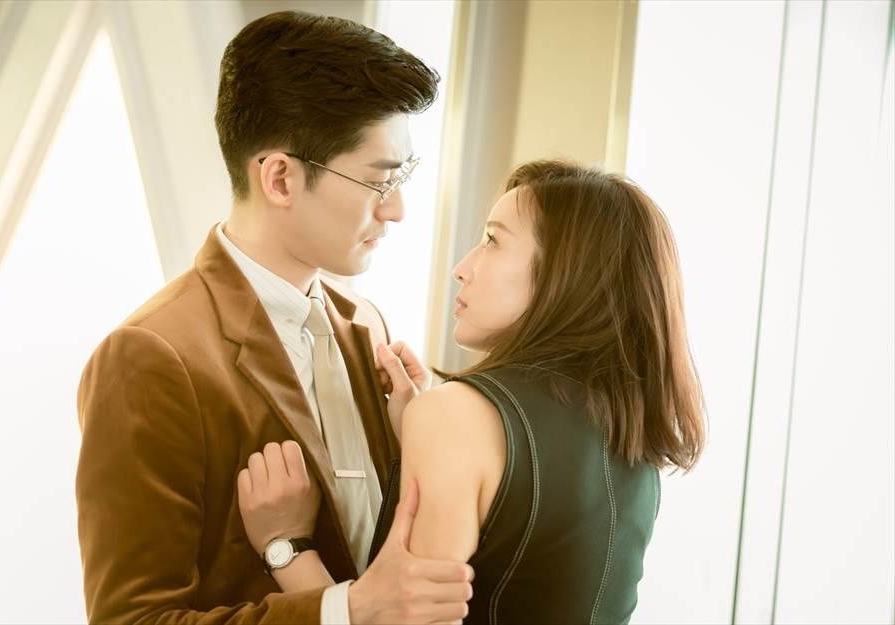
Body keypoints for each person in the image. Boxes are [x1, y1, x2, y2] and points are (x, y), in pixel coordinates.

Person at [75, 11, 473, 625]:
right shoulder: (150, 358)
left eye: (404, 176)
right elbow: (132, 619)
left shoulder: (366, 323)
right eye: (380, 180)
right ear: (281, 178)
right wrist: (344, 610)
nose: (396, 210)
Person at [238, 159, 707, 624]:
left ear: (565, 273)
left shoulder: (454, 415)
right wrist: (419, 434)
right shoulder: (633, 430)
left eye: (492, 240)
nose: (462, 269)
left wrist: (287, 547)